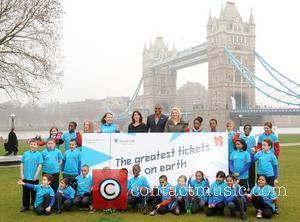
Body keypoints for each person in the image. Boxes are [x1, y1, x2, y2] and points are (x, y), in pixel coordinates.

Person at [20, 139, 43, 212]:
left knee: (34, 192)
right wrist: (21, 174)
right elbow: (22, 163)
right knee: (25, 192)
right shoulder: (25, 153)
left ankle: (34, 205)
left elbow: (40, 165)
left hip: (34, 178)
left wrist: (36, 175)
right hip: (26, 177)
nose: (32, 145)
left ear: (37, 146)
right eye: (31, 144)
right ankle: (25, 206)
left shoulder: (39, 154)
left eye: (34, 144)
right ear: (29, 145)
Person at [239, 124, 257, 189]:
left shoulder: (252, 138)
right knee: (244, 173)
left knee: (252, 174)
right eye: (246, 128)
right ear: (244, 129)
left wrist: (254, 150)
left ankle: (251, 188)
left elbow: (255, 148)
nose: (247, 130)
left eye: (248, 128)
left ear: (250, 130)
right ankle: (244, 188)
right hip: (243, 159)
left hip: (251, 159)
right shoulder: (241, 137)